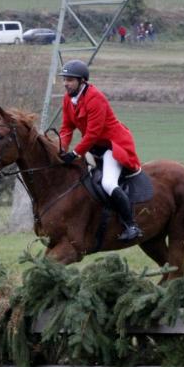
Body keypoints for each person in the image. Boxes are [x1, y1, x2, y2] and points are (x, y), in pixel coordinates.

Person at [57, 59, 143, 241]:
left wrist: (75, 152)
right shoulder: (68, 99)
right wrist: (62, 148)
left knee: (108, 183)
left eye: (70, 80)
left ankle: (132, 225)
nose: (66, 83)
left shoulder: (95, 98)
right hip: (93, 147)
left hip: (113, 146)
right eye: (65, 79)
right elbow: (66, 128)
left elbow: (93, 133)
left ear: (82, 81)